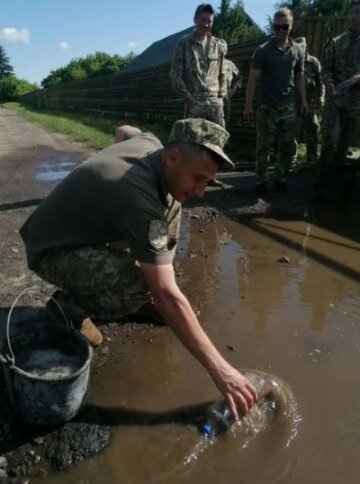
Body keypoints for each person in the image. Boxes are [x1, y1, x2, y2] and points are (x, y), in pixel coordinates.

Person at [20, 118, 258, 418]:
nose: (201, 192)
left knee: (173, 202)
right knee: (144, 285)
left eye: (207, 182)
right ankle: (69, 308)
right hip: (51, 249)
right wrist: (222, 371)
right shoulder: (138, 198)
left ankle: (140, 286)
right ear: (172, 157)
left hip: (86, 230)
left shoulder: (151, 146)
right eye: (198, 178)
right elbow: (166, 293)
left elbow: (124, 130)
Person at [243, 8, 307, 191]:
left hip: (289, 106)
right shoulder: (262, 51)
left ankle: (280, 177)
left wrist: (303, 101)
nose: (280, 31)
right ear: (273, 27)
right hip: (267, 106)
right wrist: (248, 105)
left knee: (288, 146)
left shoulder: (297, 51)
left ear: (291, 26)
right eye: (277, 27)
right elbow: (252, 78)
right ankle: (261, 181)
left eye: (284, 27)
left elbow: (300, 77)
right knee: (263, 147)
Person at [170, 3, 227, 187]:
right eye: (202, 20)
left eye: (209, 21)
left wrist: (222, 96)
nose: (206, 24)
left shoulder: (218, 45)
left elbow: (222, 72)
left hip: (214, 103)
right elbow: (175, 75)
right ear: (195, 20)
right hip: (194, 101)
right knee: (192, 143)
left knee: (216, 143)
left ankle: (210, 176)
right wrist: (188, 99)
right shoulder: (184, 43)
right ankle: (190, 177)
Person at [318, 0, 360, 182]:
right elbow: (326, 68)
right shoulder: (337, 42)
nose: (355, 16)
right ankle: (323, 176)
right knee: (330, 138)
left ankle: (337, 178)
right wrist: (328, 83)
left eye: (359, 12)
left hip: (355, 101)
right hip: (335, 98)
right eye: (353, 13)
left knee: (346, 140)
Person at [295, 37, 325, 164]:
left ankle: (312, 158)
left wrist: (321, 97)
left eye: (303, 46)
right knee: (291, 131)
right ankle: (291, 158)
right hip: (293, 101)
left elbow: (320, 81)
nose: (301, 48)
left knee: (313, 127)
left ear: (306, 46)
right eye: (298, 46)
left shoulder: (313, 62)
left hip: (310, 102)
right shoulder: (292, 60)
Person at [223, 58, 242, 126]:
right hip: (212, 95)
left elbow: (239, 77)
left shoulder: (229, 64)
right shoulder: (210, 63)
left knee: (225, 122)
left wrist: (235, 88)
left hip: (226, 96)